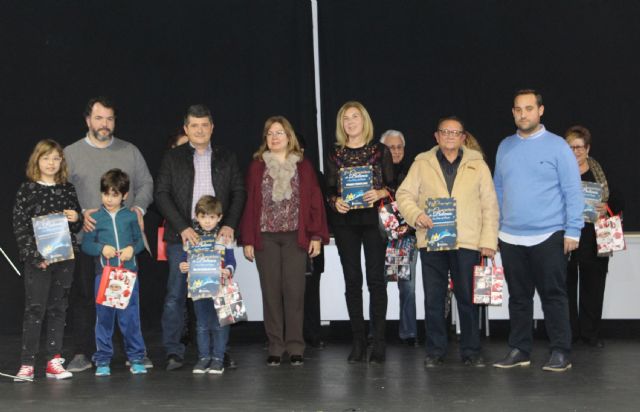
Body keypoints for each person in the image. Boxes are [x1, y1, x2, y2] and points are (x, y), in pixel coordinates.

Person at [492, 90, 584, 372]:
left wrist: (573, 230)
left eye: (529, 108)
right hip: (510, 236)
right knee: (518, 297)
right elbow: (497, 189)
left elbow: (573, 191)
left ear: (540, 111)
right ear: (513, 113)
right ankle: (520, 349)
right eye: (518, 109)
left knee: (554, 295)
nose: (523, 114)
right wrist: (494, 230)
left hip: (549, 234)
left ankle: (561, 351)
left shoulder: (558, 147)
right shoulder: (505, 146)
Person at [396, 117, 499, 367]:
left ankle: (471, 351)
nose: (450, 136)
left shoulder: (478, 165)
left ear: (464, 137)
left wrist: (488, 240)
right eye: (445, 132)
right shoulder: (421, 163)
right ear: (437, 136)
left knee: (467, 298)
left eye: (456, 132)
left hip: (468, 241)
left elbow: (490, 204)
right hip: (433, 241)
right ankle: (435, 350)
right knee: (434, 298)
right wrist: (416, 215)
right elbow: (403, 194)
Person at [65, 97, 154, 372]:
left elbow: (146, 183)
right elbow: (61, 192)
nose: (105, 124)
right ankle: (83, 352)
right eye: (99, 118)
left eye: (110, 119)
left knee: (127, 302)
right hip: (87, 241)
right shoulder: (71, 153)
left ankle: (134, 353)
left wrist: (138, 208)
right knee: (85, 298)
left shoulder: (130, 151)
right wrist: (80, 214)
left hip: (123, 244)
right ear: (87, 120)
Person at [155, 104, 246, 370]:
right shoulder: (173, 158)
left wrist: (229, 224)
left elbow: (239, 192)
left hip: (217, 234)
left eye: (205, 125)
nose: (200, 130)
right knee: (175, 294)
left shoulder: (227, 157)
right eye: (194, 125)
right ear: (186, 129)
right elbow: (161, 194)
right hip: (183, 235)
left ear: (212, 127)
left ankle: (220, 352)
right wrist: (184, 227)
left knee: (219, 293)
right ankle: (174, 351)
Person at [240, 116, 329, 366]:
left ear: (289, 137)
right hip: (265, 237)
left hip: (294, 237)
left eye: (279, 133)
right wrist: (248, 238)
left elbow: (314, 202)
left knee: (295, 293)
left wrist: (316, 236)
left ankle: (295, 345)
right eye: (270, 133)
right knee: (271, 293)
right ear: (265, 139)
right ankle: (276, 346)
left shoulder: (303, 166)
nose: (275, 137)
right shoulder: (257, 167)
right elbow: (250, 205)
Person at [325, 101, 394, 363]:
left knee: (376, 281)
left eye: (355, 117)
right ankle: (358, 341)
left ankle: (379, 341)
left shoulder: (380, 151)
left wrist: (381, 192)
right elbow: (329, 190)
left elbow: (394, 185)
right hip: (345, 224)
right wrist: (335, 202)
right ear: (341, 124)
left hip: (373, 221)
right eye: (346, 118)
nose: (351, 122)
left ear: (364, 120)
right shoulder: (335, 154)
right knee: (352, 282)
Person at [12, 140, 83, 381]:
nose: (51, 163)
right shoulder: (27, 190)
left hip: (64, 258)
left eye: (56, 158)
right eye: (46, 158)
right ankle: (27, 364)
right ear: (37, 161)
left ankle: (54, 360)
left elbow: (77, 223)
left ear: (61, 161)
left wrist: (76, 217)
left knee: (58, 308)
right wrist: (34, 256)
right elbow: (20, 227)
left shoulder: (67, 189)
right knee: (35, 309)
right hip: (38, 262)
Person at [81, 169, 147, 376]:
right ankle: (102, 360)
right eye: (106, 194)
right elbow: (86, 245)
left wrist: (132, 250)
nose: (109, 199)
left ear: (124, 196)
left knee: (130, 318)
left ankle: (136, 357)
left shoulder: (129, 217)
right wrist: (101, 248)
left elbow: (139, 242)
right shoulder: (95, 218)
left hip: (128, 276)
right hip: (104, 275)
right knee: (104, 319)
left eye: (115, 194)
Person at [565, 125, 623, 348]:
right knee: (565, 287)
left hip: (595, 237)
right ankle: (568, 334)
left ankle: (590, 334)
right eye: (570, 147)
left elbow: (619, 200)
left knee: (594, 287)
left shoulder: (600, 171)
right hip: (566, 236)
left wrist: (605, 206)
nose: (575, 151)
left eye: (579, 147)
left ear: (587, 149)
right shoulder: (558, 172)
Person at [179, 196, 236, 374]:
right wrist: (183, 265)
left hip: (221, 286)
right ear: (197, 217)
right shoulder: (192, 238)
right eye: (203, 217)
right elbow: (185, 260)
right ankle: (204, 358)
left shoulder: (224, 237)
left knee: (221, 323)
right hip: (199, 287)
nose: (208, 221)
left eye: (212, 217)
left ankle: (218, 359)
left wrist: (228, 269)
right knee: (202, 324)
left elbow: (231, 261)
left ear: (219, 217)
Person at [379, 129, 418, 346]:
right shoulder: (374, 173)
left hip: (407, 237)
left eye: (399, 147)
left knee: (408, 287)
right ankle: (377, 333)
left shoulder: (414, 170)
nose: (395, 151)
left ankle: (409, 333)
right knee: (378, 286)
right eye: (390, 147)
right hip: (380, 238)